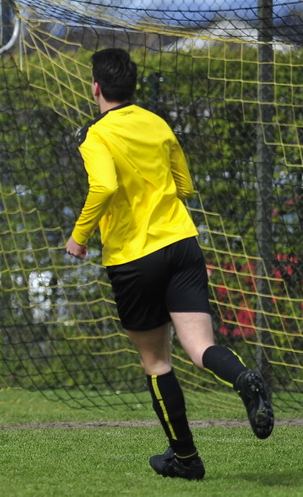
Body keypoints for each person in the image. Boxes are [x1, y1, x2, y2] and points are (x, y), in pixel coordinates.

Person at [65, 48, 273, 481]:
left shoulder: (95, 135)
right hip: (181, 243)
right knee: (200, 348)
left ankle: (186, 458)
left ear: (96, 88)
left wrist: (79, 236)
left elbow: (104, 185)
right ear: (132, 87)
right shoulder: (156, 122)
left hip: (134, 257)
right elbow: (185, 184)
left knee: (157, 362)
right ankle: (244, 380)